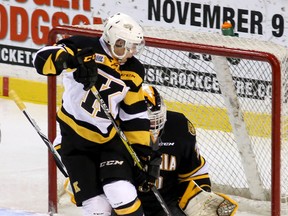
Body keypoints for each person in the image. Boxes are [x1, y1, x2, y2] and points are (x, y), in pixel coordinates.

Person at [33, 12, 161, 216]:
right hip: (74, 142)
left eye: (135, 46)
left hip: (109, 142)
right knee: (97, 208)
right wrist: (70, 60)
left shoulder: (134, 69)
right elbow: (41, 60)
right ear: (114, 41)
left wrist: (143, 152)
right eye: (126, 46)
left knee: (120, 192)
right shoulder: (82, 45)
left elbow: (134, 114)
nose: (131, 52)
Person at [139, 84, 238, 216]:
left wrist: (200, 198)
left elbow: (195, 172)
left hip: (167, 204)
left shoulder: (178, 127)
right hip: (126, 205)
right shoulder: (114, 131)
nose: (153, 128)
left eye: (156, 121)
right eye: (148, 122)